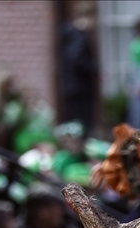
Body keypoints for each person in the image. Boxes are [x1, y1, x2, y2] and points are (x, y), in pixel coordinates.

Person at [58, 2, 98, 133]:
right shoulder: (80, 36)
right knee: (82, 123)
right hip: (80, 87)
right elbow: (77, 59)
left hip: (70, 86)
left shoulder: (68, 34)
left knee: (73, 122)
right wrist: (93, 68)